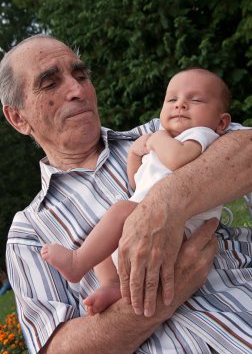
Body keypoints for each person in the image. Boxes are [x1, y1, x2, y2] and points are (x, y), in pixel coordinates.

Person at [0, 34, 251, 354]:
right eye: (50, 84)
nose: (77, 91)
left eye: (80, 76)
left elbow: (246, 147)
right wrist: (159, 295)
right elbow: (56, 349)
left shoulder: (159, 134)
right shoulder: (29, 232)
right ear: (18, 117)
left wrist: (167, 202)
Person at [40, 68, 232, 317]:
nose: (181, 105)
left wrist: (155, 140)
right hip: (143, 225)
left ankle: (78, 262)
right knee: (102, 237)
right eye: (172, 99)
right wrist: (134, 154)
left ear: (222, 122)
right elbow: (137, 183)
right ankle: (112, 285)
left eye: (195, 100)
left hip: (183, 230)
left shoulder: (200, 135)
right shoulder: (166, 141)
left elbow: (178, 159)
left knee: (120, 211)